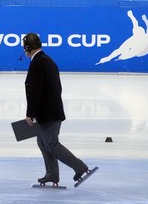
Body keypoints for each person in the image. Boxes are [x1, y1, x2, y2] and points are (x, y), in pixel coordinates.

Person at [22, 32, 95, 187]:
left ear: (27, 48)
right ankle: (52, 174)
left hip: (48, 113)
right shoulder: (46, 60)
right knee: (42, 142)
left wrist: (30, 114)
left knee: (51, 144)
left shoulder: (38, 63)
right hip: (49, 111)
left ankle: (80, 167)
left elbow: (35, 91)